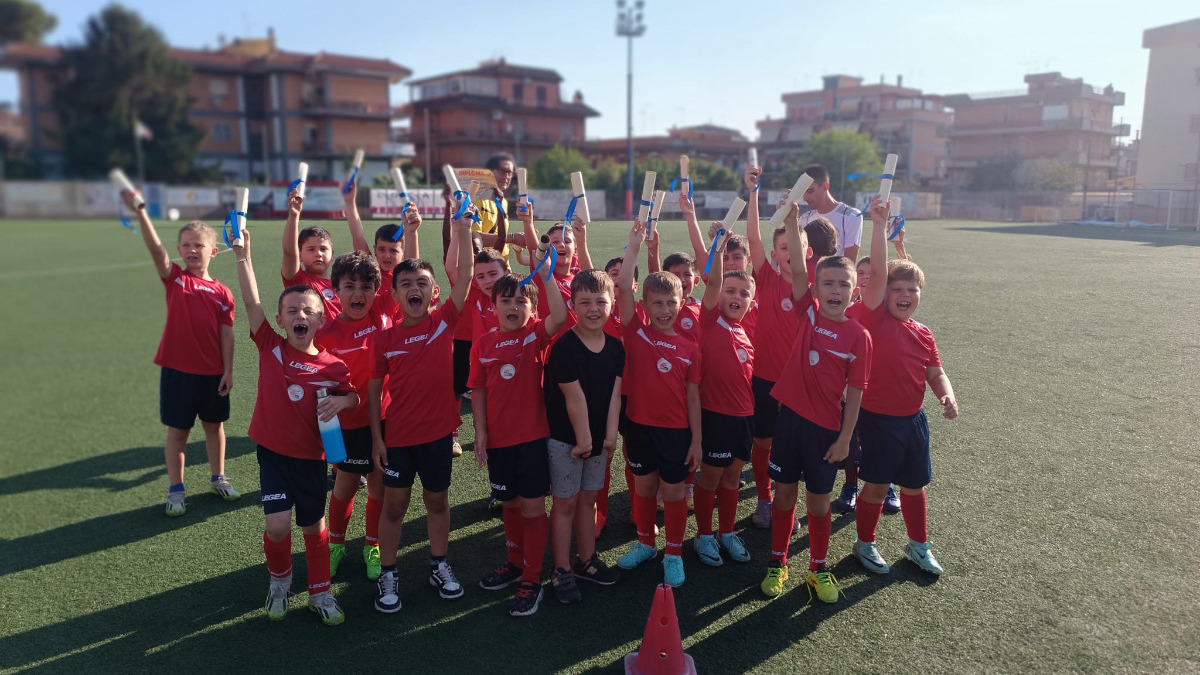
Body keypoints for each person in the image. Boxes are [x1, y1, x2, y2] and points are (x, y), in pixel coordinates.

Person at [230, 221, 357, 626]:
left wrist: (340, 401)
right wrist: (243, 256)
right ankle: (280, 582)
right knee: (279, 526)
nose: (300, 316)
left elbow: (352, 396)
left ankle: (319, 593)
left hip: (311, 459)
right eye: (291, 312)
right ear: (282, 321)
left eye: (308, 311)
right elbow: (250, 302)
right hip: (272, 454)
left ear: (321, 320)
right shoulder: (269, 345)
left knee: (313, 527)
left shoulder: (333, 365)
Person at [760, 204, 872, 604]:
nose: (835, 291)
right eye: (827, 284)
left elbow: (856, 392)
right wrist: (792, 219)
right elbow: (799, 270)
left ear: (853, 290)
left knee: (819, 503)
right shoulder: (806, 309)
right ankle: (778, 561)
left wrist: (845, 439)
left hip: (827, 431)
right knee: (785, 495)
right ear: (815, 288)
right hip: (790, 422)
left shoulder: (859, 337)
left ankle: (818, 568)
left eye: (843, 284)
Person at [369, 200, 476, 614]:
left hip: (437, 435)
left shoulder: (444, 321)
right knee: (394, 507)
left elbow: (464, 275)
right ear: (394, 293)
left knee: (438, 502)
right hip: (398, 437)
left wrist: (463, 229)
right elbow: (376, 393)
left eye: (422, 283)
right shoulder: (384, 340)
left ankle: (438, 564)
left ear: (434, 292)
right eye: (405, 283)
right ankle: (388, 573)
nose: (414, 289)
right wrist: (377, 439)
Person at [851, 196, 958, 577]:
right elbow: (879, 273)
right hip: (878, 421)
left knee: (914, 486)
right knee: (877, 487)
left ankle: (918, 546)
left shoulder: (923, 333)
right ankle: (864, 543)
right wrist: (878, 226)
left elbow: (935, 371)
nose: (906, 296)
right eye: (899, 289)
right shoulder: (873, 318)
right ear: (885, 293)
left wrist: (946, 392)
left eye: (913, 291)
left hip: (914, 420)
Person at [123, 191, 240, 516]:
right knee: (178, 433)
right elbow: (154, 248)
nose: (191, 250)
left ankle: (218, 478)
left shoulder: (223, 292)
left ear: (213, 252)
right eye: (186, 245)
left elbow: (226, 334)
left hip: (213, 373)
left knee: (214, 428)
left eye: (198, 245)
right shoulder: (175, 279)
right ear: (179, 251)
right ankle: (176, 489)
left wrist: (228, 371)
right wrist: (141, 209)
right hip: (178, 372)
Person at [471, 262, 568, 617]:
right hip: (498, 441)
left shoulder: (535, 335)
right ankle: (514, 563)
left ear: (532, 308)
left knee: (531, 509)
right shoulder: (482, 343)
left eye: (521, 302)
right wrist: (480, 432)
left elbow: (560, 314)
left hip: (531, 441)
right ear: (492, 306)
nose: (513, 308)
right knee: (509, 505)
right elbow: (478, 389)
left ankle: (531, 576)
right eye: (506, 301)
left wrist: (545, 276)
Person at [743, 165, 837, 530]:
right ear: (774, 252)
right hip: (764, 376)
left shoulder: (811, 283)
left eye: (793, 247)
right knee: (763, 442)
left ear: (806, 251)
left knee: (794, 445)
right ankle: (766, 500)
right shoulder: (765, 278)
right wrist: (752, 193)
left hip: (801, 381)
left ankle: (788, 501)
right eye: (781, 247)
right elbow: (752, 238)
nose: (787, 253)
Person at [614, 219, 702, 588]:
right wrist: (634, 247)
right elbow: (620, 288)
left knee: (675, 491)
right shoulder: (635, 331)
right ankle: (646, 544)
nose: (665, 309)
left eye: (671, 302)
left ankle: (674, 553)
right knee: (645, 487)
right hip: (639, 426)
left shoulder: (690, 348)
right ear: (644, 304)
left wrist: (697, 440)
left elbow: (693, 396)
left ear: (682, 302)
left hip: (676, 432)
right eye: (657, 303)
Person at [543, 269, 625, 604]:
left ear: (612, 303)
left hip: (596, 442)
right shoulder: (564, 348)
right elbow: (573, 399)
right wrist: (584, 441)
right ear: (573, 304)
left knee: (589, 500)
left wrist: (609, 437)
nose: (594, 308)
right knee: (565, 503)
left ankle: (586, 560)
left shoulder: (617, 348)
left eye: (601, 301)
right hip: (568, 441)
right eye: (585, 302)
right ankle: (561, 569)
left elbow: (615, 396)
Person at [314, 251, 392, 582]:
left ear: (376, 291)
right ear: (336, 291)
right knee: (345, 486)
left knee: (378, 485)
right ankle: (335, 544)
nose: (358, 294)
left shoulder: (382, 314)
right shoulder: (327, 333)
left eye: (365, 287)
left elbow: (394, 271)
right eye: (349, 286)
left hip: (384, 419)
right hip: (345, 425)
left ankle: (372, 545)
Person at [692, 228, 756, 568]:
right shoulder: (711, 321)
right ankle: (703, 534)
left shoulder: (745, 332)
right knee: (711, 478)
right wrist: (717, 249)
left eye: (744, 293)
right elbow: (713, 283)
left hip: (744, 417)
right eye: (730, 291)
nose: (736, 296)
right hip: (714, 415)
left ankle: (726, 532)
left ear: (751, 300)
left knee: (732, 478)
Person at [344, 180, 421, 320]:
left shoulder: (403, 275)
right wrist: (349, 203)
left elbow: (412, 265)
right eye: (382, 249)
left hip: (400, 336)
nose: (387, 255)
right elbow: (358, 235)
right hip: (374, 336)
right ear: (374, 249)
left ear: (403, 252)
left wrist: (411, 232)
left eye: (393, 251)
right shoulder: (370, 270)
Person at [282, 186, 340, 319]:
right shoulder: (299, 281)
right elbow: (289, 253)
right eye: (311, 249)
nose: (318, 253)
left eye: (323, 249)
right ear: (300, 255)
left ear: (332, 255)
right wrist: (293, 216)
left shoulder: (342, 284)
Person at [798, 163, 864, 260]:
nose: (805, 198)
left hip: (836, 274)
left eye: (810, 191)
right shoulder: (804, 218)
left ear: (825, 186)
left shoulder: (851, 215)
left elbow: (849, 262)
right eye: (803, 193)